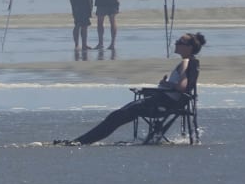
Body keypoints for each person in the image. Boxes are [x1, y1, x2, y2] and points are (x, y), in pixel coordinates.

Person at [59, 32, 205, 145]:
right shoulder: (191, 62)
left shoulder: (186, 62)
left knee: (115, 117)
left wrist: (165, 84)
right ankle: (81, 140)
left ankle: (80, 142)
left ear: (189, 48)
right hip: (165, 102)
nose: (176, 43)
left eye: (180, 42)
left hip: (162, 104)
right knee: (116, 117)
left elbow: (181, 87)